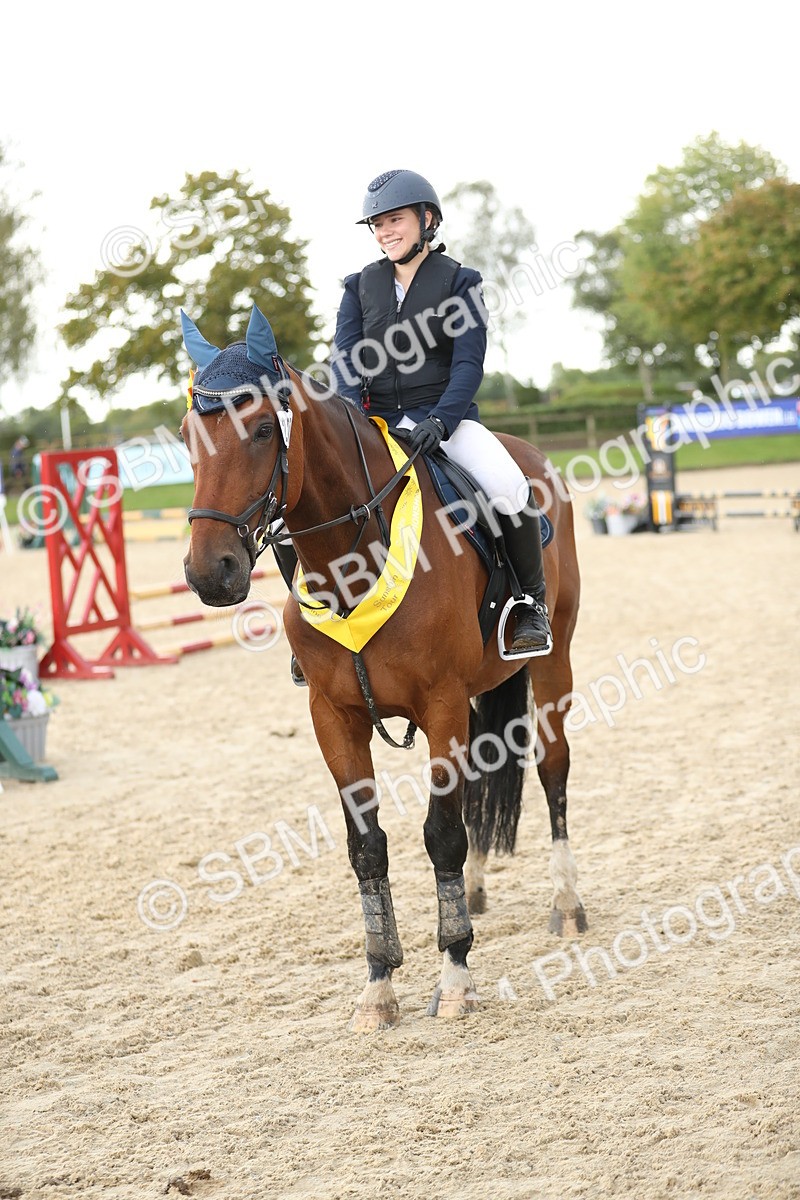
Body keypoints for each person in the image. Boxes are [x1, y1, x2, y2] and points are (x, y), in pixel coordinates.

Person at [284, 169, 552, 685]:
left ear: (427, 220)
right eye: (378, 224)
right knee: (307, 495)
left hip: (445, 421)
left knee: (508, 487)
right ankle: (313, 628)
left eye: (395, 220)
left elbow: (469, 366)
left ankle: (528, 606)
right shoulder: (360, 286)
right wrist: (348, 418)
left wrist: (441, 420)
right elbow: (345, 360)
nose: (386, 231)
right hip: (375, 424)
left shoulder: (460, 283)